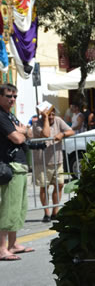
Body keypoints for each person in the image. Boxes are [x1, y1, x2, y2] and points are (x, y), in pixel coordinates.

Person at [0, 83, 34, 261]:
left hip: (20, 165)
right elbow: (18, 137)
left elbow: (27, 132)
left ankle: (13, 244)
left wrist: (23, 130)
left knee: (19, 208)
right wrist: (22, 131)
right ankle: (2, 248)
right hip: (10, 166)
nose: (12, 99)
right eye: (8, 96)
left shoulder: (9, 115)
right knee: (8, 208)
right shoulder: (1, 116)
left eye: (14, 96)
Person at [32, 106, 74, 222]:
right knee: (44, 187)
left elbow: (71, 131)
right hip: (42, 161)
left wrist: (63, 134)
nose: (51, 117)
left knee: (59, 185)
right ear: (42, 114)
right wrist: (45, 118)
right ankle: (46, 213)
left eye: (52, 114)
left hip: (57, 159)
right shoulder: (36, 124)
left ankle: (55, 211)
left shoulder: (58, 120)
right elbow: (46, 134)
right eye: (48, 114)